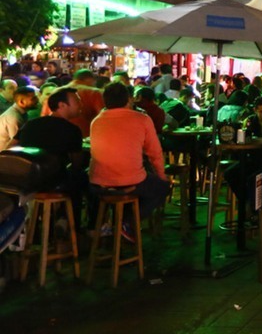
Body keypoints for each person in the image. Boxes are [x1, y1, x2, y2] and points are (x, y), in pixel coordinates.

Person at [88, 83, 170, 233]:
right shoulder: (142, 119)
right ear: (128, 100)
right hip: (131, 181)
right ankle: (128, 223)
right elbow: (155, 153)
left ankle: (108, 225)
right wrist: (161, 175)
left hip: (99, 184)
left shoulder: (96, 121)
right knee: (161, 187)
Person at [13, 87, 89, 228]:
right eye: (77, 101)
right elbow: (76, 162)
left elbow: (11, 147)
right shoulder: (72, 130)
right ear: (62, 105)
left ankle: (50, 222)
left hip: (27, 181)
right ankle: (71, 224)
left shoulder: (30, 124)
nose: (81, 105)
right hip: (53, 182)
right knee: (81, 177)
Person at [0, 86, 38, 151]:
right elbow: (17, 143)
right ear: (21, 102)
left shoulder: (20, 113)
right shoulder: (14, 118)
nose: (37, 100)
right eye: (33, 99)